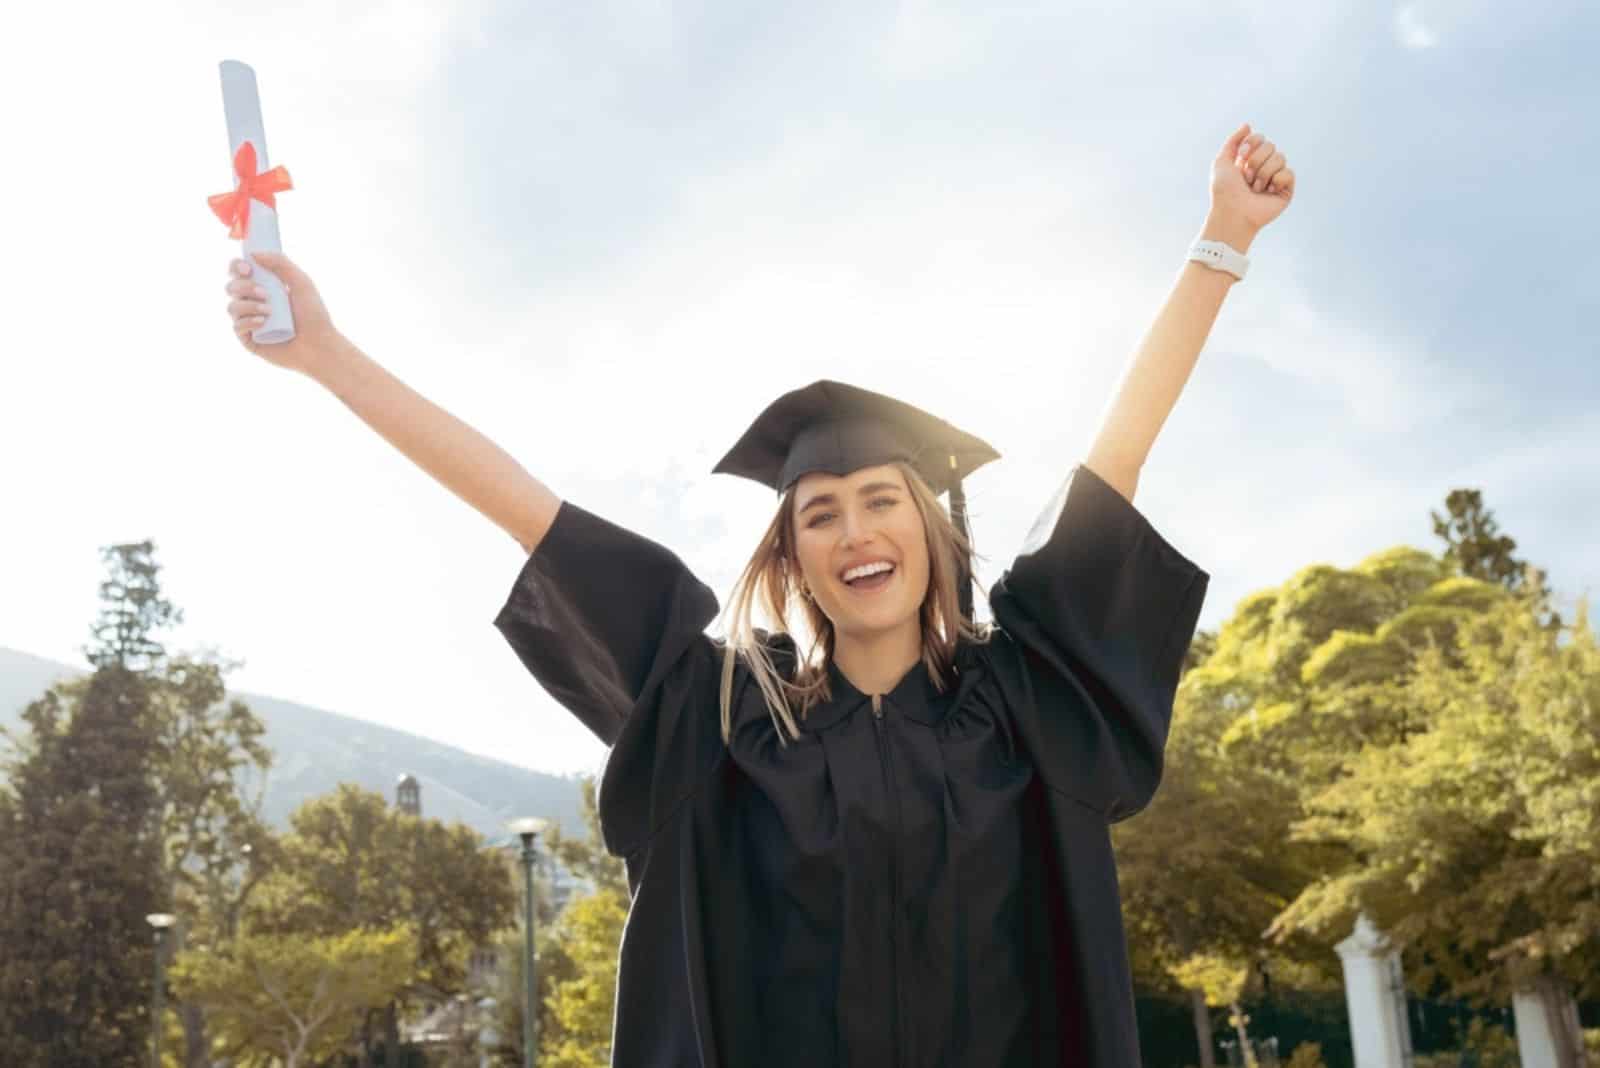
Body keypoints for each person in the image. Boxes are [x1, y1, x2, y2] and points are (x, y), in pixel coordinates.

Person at [222, 123, 1295, 1067]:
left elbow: (1114, 466)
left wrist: (1222, 240)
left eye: (881, 500)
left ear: (930, 532)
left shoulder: (1022, 702)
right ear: (788, 560)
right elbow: (529, 513)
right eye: (818, 513)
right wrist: (325, 355)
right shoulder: (725, 717)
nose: (854, 530)